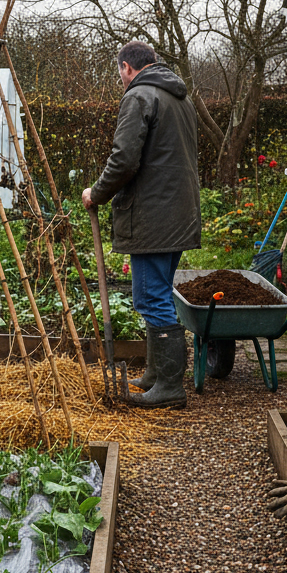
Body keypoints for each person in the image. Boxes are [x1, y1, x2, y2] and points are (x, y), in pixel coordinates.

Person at [81, 40, 201, 409]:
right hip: (178, 213)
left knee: (150, 298)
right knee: (160, 294)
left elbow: (124, 160)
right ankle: (155, 375)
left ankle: (169, 388)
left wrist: (96, 194)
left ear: (127, 67)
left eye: (120, 72)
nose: (121, 79)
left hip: (153, 217)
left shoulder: (139, 97)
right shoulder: (180, 98)